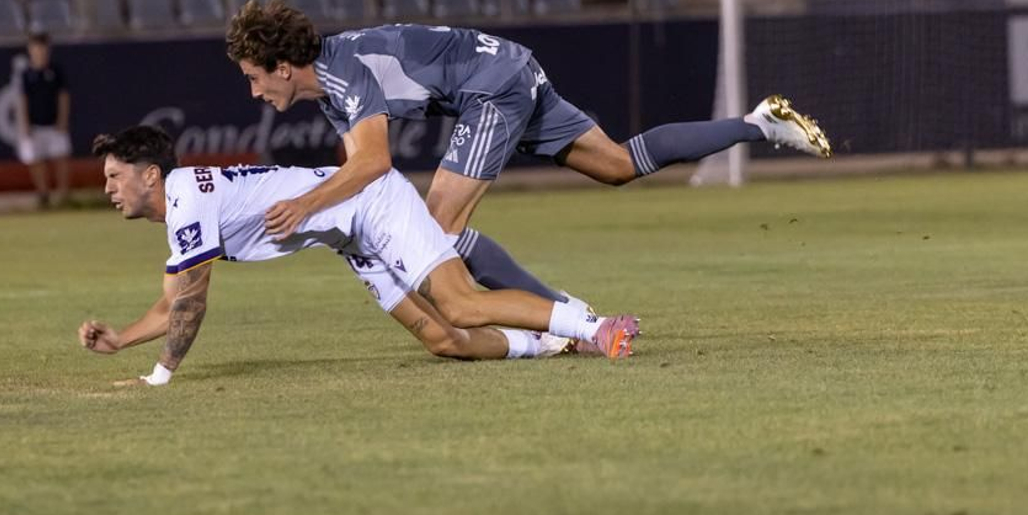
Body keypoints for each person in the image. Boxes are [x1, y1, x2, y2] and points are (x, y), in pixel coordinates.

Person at [223, 0, 832, 306]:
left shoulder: (342, 73)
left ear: (283, 66)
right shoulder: (333, 84)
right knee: (618, 165)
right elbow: (364, 173)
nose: (253, 90)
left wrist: (304, 206)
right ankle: (759, 126)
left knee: (433, 231)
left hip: (493, 88)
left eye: (254, 77)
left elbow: (373, 164)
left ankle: (560, 314)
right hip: (511, 67)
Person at [77, 126, 639, 387]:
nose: (108, 188)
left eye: (115, 176)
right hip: (349, 232)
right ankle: (552, 340)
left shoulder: (185, 197)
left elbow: (192, 303)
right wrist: (122, 339)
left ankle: (595, 326)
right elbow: (173, 300)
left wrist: (161, 375)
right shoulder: (182, 208)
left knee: (462, 307)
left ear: (151, 175)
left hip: (368, 200)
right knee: (444, 340)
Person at [16, 30, 70, 208]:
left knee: (60, 158)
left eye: (43, 47)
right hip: (35, 125)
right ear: (30, 49)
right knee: (36, 160)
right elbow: (22, 100)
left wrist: (62, 120)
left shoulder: (55, 71)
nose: (40, 51)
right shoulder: (26, 74)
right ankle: (43, 193)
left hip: (54, 124)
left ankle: (63, 195)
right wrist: (25, 123)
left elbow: (63, 97)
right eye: (36, 47)